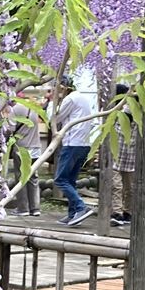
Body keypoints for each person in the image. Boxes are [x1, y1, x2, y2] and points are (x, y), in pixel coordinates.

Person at [50, 78, 96, 227]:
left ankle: (81, 206)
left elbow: (56, 118)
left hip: (72, 143)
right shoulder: (82, 97)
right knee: (70, 180)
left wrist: (52, 103)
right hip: (84, 144)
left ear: (62, 88)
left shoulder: (70, 99)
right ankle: (73, 214)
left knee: (60, 180)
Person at [105, 84, 135, 227]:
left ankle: (128, 212)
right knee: (117, 185)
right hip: (117, 153)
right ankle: (117, 212)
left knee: (129, 187)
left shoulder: (131, 110)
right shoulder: (115, 111)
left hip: (130, 154)